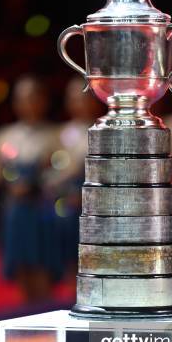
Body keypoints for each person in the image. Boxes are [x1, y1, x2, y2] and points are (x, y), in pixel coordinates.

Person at [0, 75, 63, 301]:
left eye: (34, 97)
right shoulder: (4, 136)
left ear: (44, 101)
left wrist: (38, 183)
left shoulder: (55, 135)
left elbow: (64, 169)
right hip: (16, 211)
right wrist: (10, 182)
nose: (28, 103)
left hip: (42, 210)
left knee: (43, 265)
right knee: (21, 265)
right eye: (22, 98)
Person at [52, 77, 100, 269]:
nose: (80, 104)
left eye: (84, 98)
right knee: (70, 260)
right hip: (69, 206)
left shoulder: (103, 129)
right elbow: (54, 170)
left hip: (97, 208)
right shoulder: (61, 133)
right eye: (74, 99)